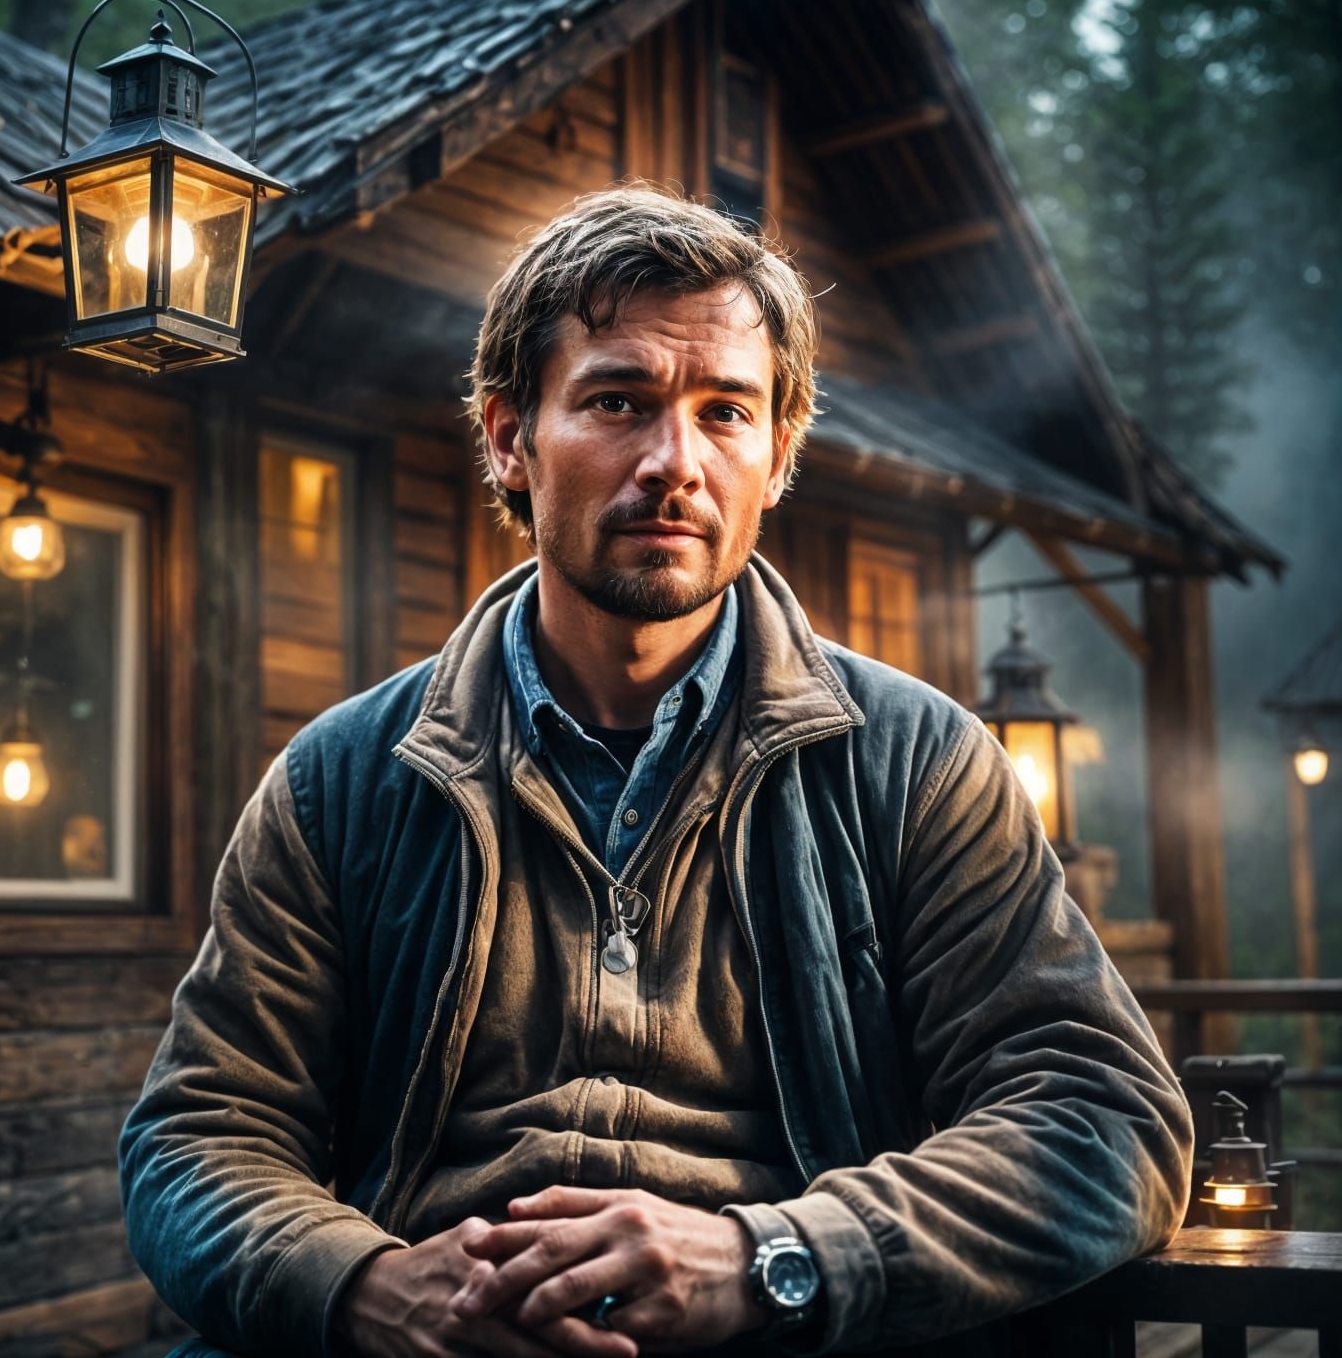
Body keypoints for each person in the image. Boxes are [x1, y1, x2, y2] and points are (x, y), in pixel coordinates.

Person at [119, 186, 1194, 1358]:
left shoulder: (916, 764)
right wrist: (365, 1289)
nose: (673, 462)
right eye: (618, 401)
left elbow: (1105, 1122)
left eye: (725, 412)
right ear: (508, 438)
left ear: (779, 457)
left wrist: (773, 1258)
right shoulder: (344, 779)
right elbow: (196, 1135)